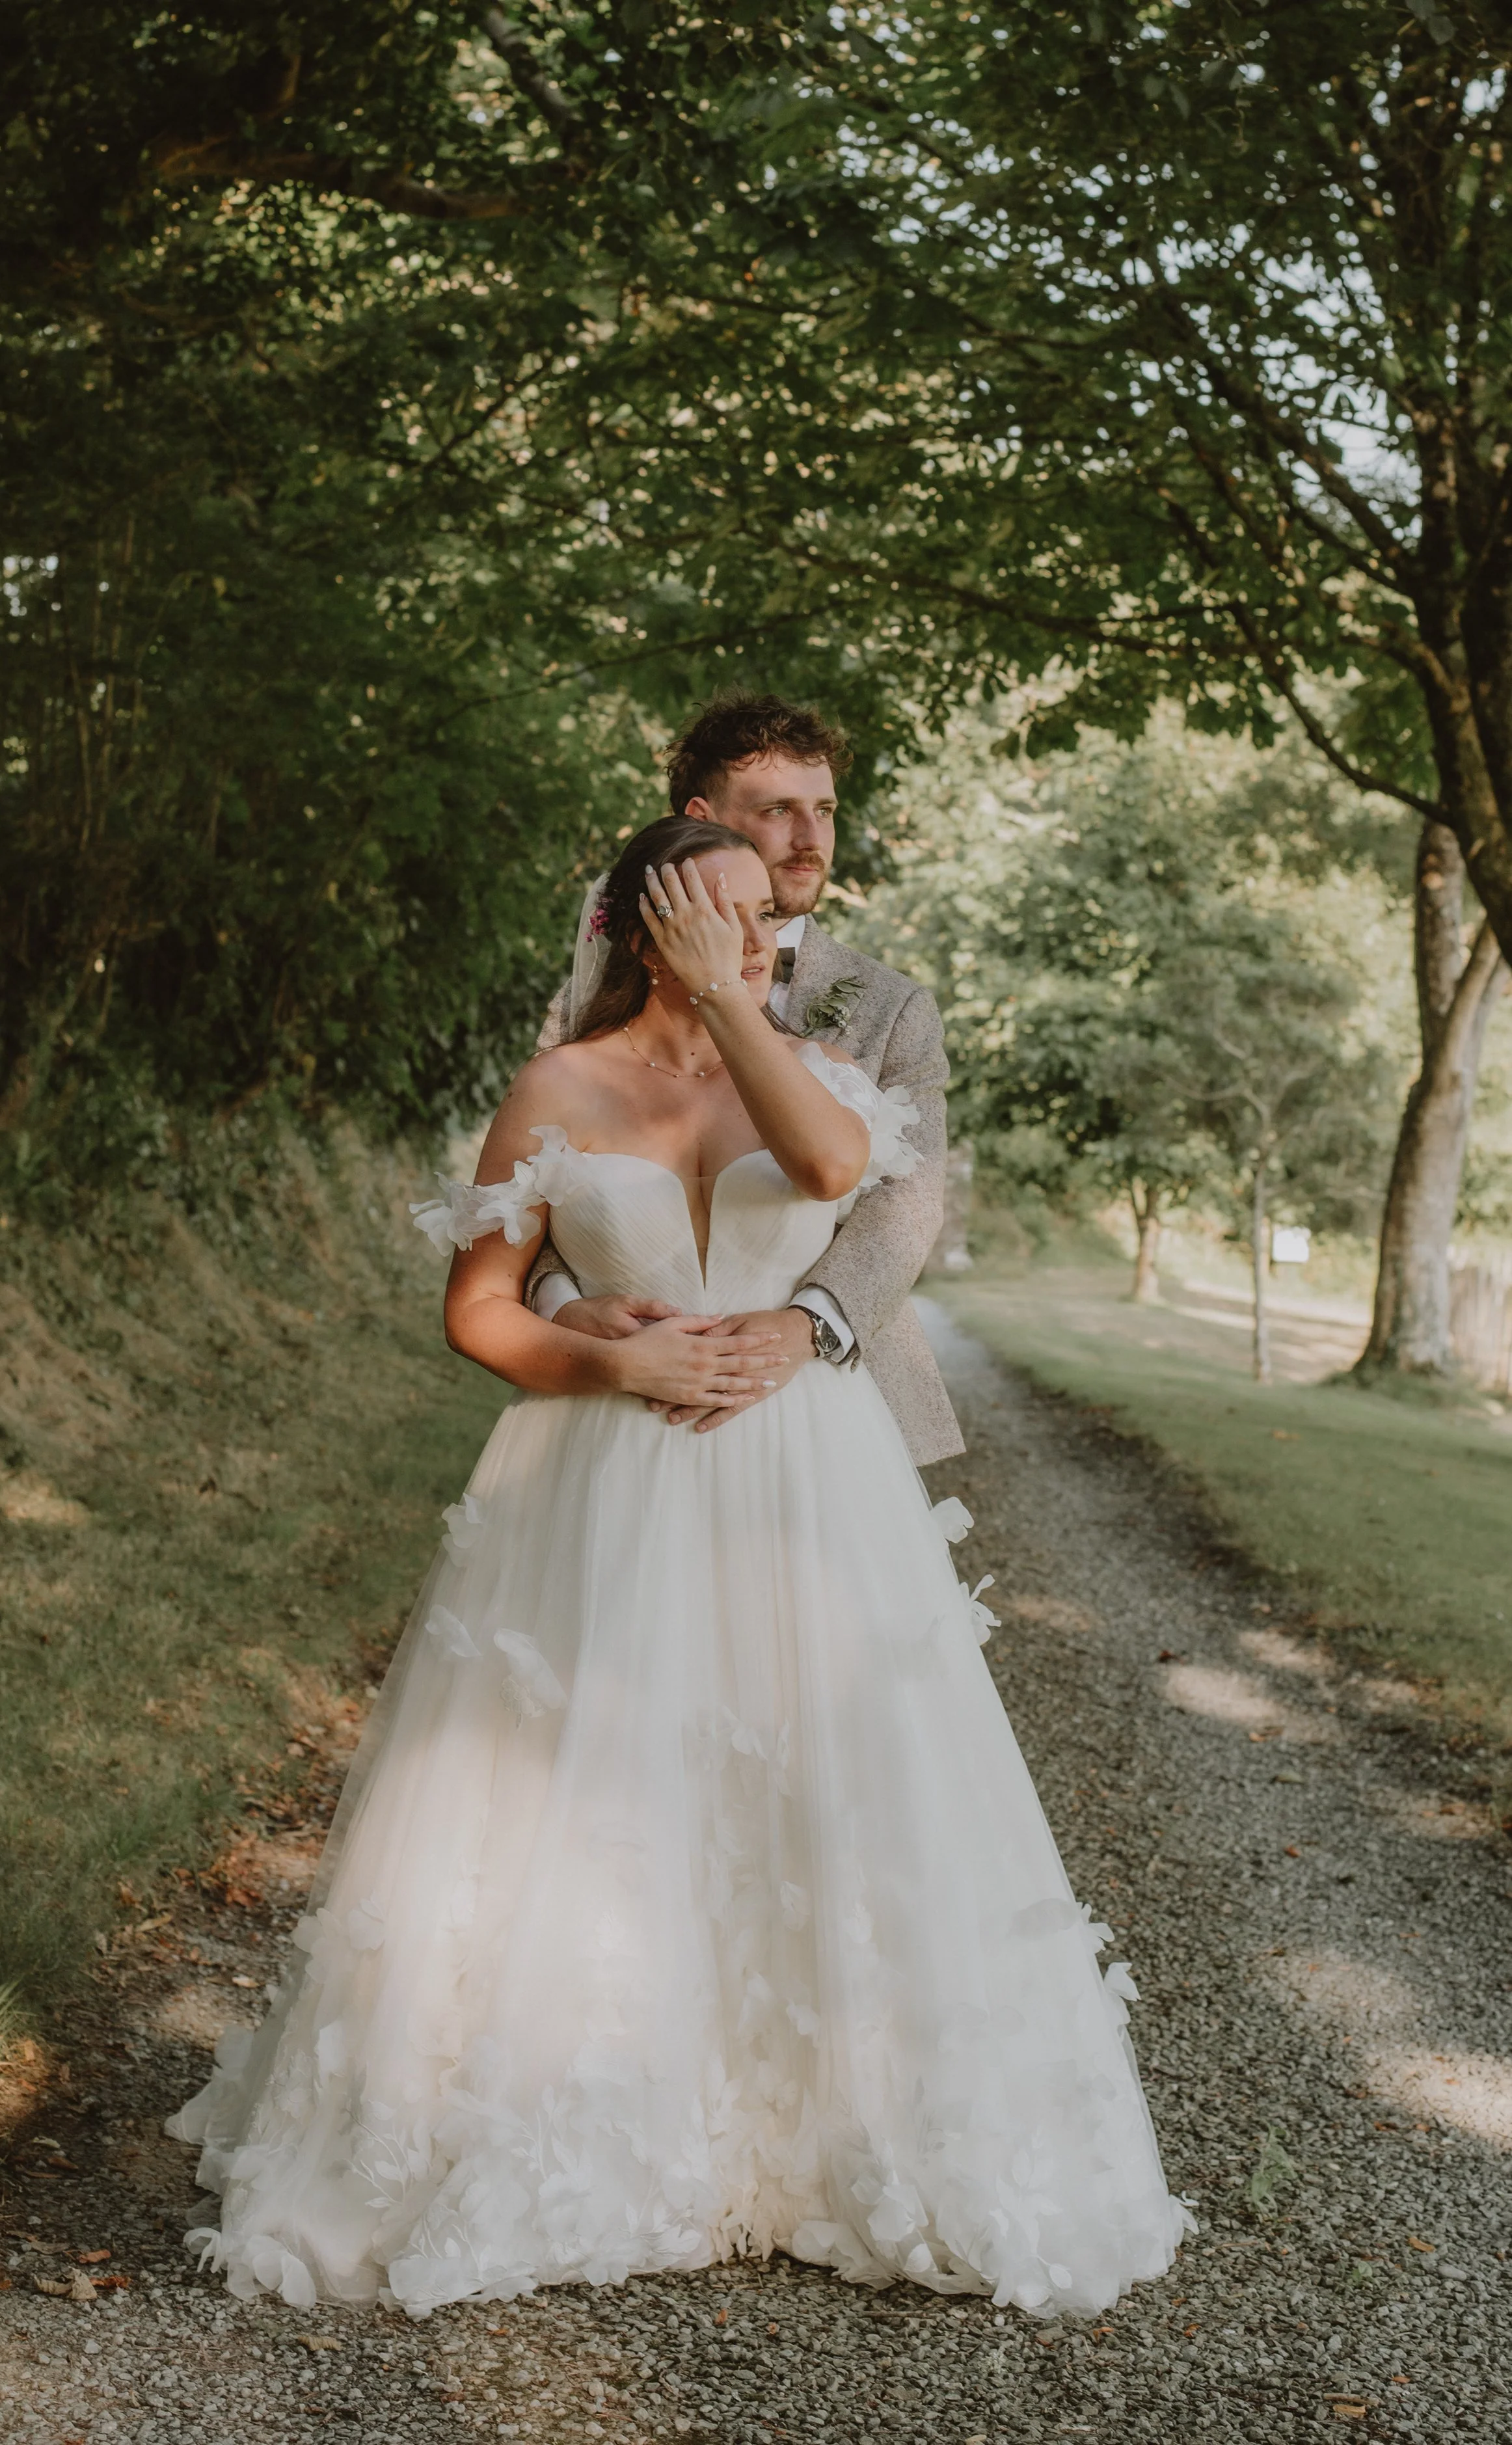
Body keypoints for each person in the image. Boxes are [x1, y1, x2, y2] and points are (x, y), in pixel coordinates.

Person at [167, 813, 1191, 2321]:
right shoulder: (558, 1087)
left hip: (809, 1480)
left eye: (764, 917)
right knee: (594, 1774)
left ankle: (828, 2117)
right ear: (642, 925)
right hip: (608, 1469)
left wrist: (732, 1007)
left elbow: (834, 1165)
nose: (757, 932)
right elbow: (482, 1311)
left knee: (824, 1770)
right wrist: (618, 1366)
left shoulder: (822, 1078)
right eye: (714, 916)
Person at [530, 692, 963, 1466]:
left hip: (831, 1406)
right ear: (706, 814)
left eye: (824, 810)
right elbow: (546, 1187)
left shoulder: (893, 1008)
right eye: (779, 810)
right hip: (624, 1408)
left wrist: (806, 1325)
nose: (810, 839)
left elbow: (906, 1210)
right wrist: (567, 1308)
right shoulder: (588, 1003)